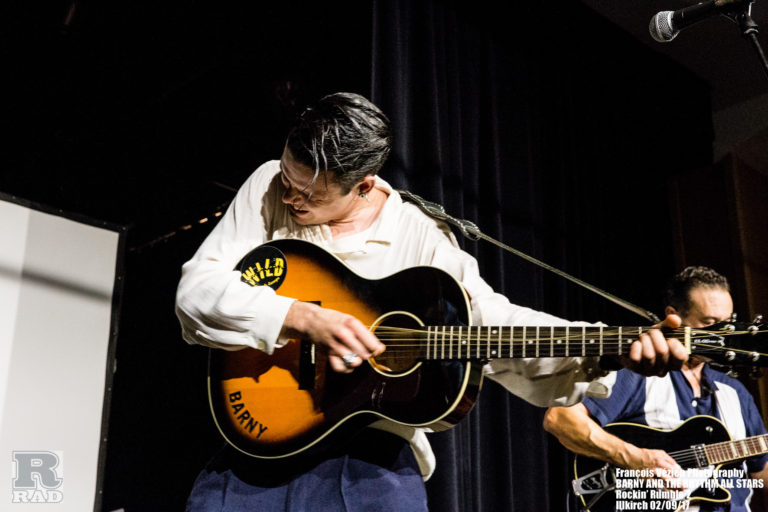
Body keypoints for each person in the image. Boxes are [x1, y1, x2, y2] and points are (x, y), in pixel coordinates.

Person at [175, 92, 687, 510]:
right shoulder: (269, 184)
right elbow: (197, 291)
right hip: (258, 440)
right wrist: (300, 316)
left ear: (363, 185)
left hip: (367, 464)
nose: (290, 199)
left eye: (309, 195)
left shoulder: (421, 238)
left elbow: (493, 322)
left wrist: (604, 348)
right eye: (289, 182)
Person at [543, 266, 768, 512]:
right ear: (674, 317)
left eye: (727, 324)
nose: (723, 335)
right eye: (710, 323)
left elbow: (760, 471)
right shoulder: (636, 375)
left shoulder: (735, 392)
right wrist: (634, 458)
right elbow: (560, 418)